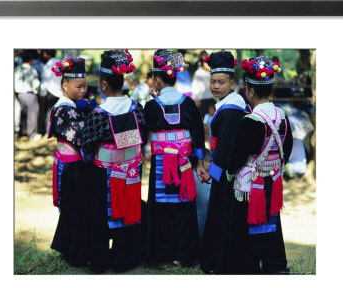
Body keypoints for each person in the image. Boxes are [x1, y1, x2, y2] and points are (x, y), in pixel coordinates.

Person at [226, 55, 293, 274]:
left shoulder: (251, 121)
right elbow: (288, 149)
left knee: (246, 228)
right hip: (272, 182)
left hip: (249, 186)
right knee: (271, 226)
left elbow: (237, 154)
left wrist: (229, 171)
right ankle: (275, 266)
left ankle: (248, 268)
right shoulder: (283, 117)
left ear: (250, 91)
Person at [80, 50, 146, 272]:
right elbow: (143, 135)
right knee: (129, 212)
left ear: (104, 84)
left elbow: (87, 145)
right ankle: (125, 258)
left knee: (101, 215)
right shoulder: (137, 109)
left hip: (103, 174)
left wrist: (88, 159)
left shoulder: (99, 114)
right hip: (132, 172)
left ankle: (99, 260)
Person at [143, 49, 206, 268]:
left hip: (161, 163)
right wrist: (199, 160)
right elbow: (198, 134)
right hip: (184, 163)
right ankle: (183, 254)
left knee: (160, 207)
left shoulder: (151, 106)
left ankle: (161, 254)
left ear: (157, 80)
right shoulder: (188, 104)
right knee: (183, 206)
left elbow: (144, 135)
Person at [47, 57, 100, 270]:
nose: (83, 90)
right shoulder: (65, 109)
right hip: (71, 165)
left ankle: (72, 248)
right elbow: (83, 137)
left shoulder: (71, 106)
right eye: (78, 86)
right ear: (65, 85)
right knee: (74, 210)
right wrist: (93, 114)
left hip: (73, 164)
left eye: (85, 86)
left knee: (74, 209)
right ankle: (74, 252)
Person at [199, 50, 249, 274]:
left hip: (228, 173)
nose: (216, 86)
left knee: (223, 216)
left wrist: (212, 172)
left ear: (232, 82)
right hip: (224, 168)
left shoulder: (231, 110)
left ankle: (221, 263)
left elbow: (227, 148)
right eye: (212, 81)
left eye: (221, 82)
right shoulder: (229, 104)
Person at [14, 49, 41, 139]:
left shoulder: (17, 69)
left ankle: (22, 132)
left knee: (23, 113)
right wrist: (36, 91)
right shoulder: (32, 70)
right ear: (31, 60)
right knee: (32, 114)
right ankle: (32, 134)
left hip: (20, 94)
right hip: (30, 94)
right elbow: (36, 84)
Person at [39, 49, 63, 136]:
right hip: (62, 93)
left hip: (51, 92)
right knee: (60, 113)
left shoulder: (47, 66)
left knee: (50, 113)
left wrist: (43, 94)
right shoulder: (61, 63)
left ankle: (49, 131)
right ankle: (59, 130)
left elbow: (45, 81)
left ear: (46, 54)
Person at [191, 50, 214, 118]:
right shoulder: (198, 73)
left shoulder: (211, 72)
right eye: (206, 63)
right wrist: (196, 99)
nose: (208, 65)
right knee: (203, 118)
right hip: (202, 100)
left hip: (211, 98)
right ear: (202, 63)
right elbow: (194, 86)